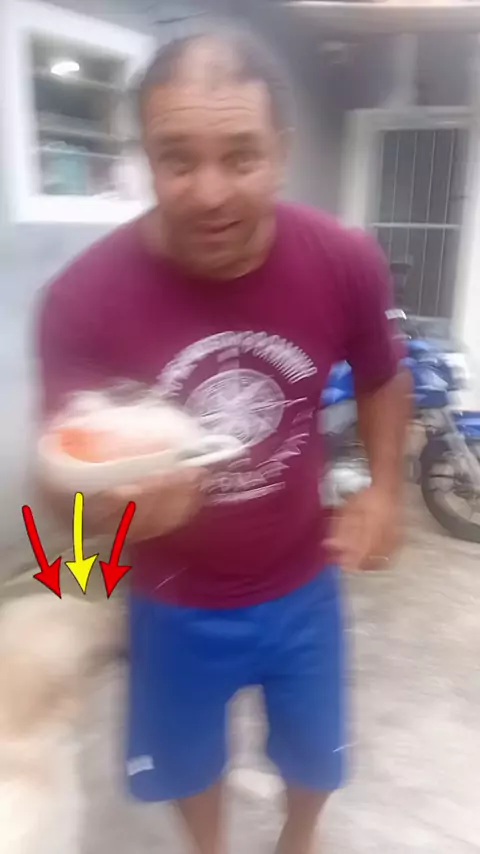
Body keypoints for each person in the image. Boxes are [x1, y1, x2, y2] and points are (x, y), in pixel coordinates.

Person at [36, 27, 410, 854]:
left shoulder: (343, 260)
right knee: (185, 767)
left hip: (303, 578)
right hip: (170, 596)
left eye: (241, 157)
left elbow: (384, 374)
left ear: (282, 152)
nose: (210, 193)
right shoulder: (82, 300)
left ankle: (297, 842)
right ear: (145, 158)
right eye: (178, 159)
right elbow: (60, 488)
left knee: (317, 758)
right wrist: (113, 517)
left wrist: (386, 488)